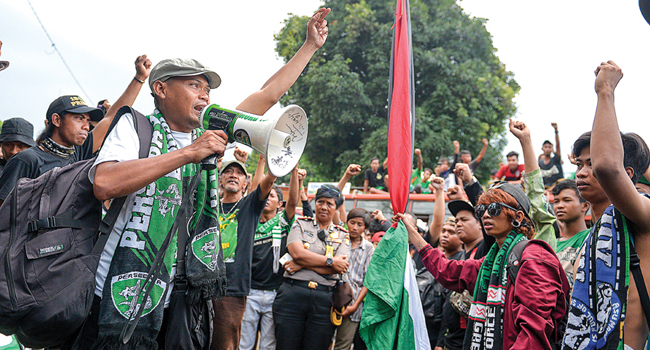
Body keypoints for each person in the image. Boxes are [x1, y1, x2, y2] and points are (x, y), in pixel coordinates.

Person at [84, 8, 332, 350]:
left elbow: (267, 95)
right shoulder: (136, 127)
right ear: (161, 89)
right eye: (194, 85)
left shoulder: (210, 132)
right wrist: (187, 153)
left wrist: (309, 46)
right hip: (114, 292)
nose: (205, 96)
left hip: (178, 300)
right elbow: (104, 183)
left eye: (208, 89)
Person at [405, 182, 569, 350]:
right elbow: (448, 271)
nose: (485, 215)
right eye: (481, 210)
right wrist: (411, 232)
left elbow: (533, 335)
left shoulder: (534, 257)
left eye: (494, 208)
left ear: (518, 217)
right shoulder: (490, 264)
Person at [561, 61, 650, 350]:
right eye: (580, 165)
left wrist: (605, 91)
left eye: (590, 164)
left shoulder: (644, 215)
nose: (584, 172)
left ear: (630, 175)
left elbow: (607, 166)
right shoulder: (593, 236)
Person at [0, 55, 153, 204]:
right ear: (56, 120)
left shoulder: (80, 152)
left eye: (87, 120)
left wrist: (139, 78)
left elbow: (111, 118)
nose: (86, 126)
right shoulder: (27, 160)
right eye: (78, 118)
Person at [273, 184, 351, 350]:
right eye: (320, 202)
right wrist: (329, 262)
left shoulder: (343, 235)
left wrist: (301, 265)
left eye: (329, 204)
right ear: (315, 203)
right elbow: (297, 253)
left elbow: (339, 268)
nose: (324, 207)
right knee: (285, 346)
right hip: (292, 296)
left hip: (324, 300)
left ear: (336, 208)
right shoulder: (300, 224)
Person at [239, 167, 299, 350]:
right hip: (250, 292)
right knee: (245, 344)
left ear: (280, 204)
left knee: (268, 345)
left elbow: (293, 202)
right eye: (267, 195)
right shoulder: (251, 221)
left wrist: (294, 170)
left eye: (272, 196)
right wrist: (262, 160)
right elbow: (256, 191)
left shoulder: (283, 222)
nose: (267, 199)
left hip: (275, 292)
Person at [334, 208, 374, 350]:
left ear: (365, 228)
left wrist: (355, 306)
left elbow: (368, 281)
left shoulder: (369, 249)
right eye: (352, 223)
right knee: (322, 340)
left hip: (353, 306)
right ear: (347, 222)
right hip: (331, 300)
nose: (355, 227)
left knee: (343, 345)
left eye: (359, 224)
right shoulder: (338, 240)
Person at [551, 179, 589, 287]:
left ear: (585, 206)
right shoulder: (551, 244)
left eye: (567, 200)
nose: (559, 206)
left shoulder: (590, 237)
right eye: (556, 201)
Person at [538, 123, 564, 189]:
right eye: (546, 147)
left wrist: (556, 131)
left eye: (550, 147)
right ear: (542, 148)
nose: (547, 149)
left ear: (552, 149)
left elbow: (558, 145)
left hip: (558, 187)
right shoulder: (539, 163)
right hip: (545, 188)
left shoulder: (556, 160)